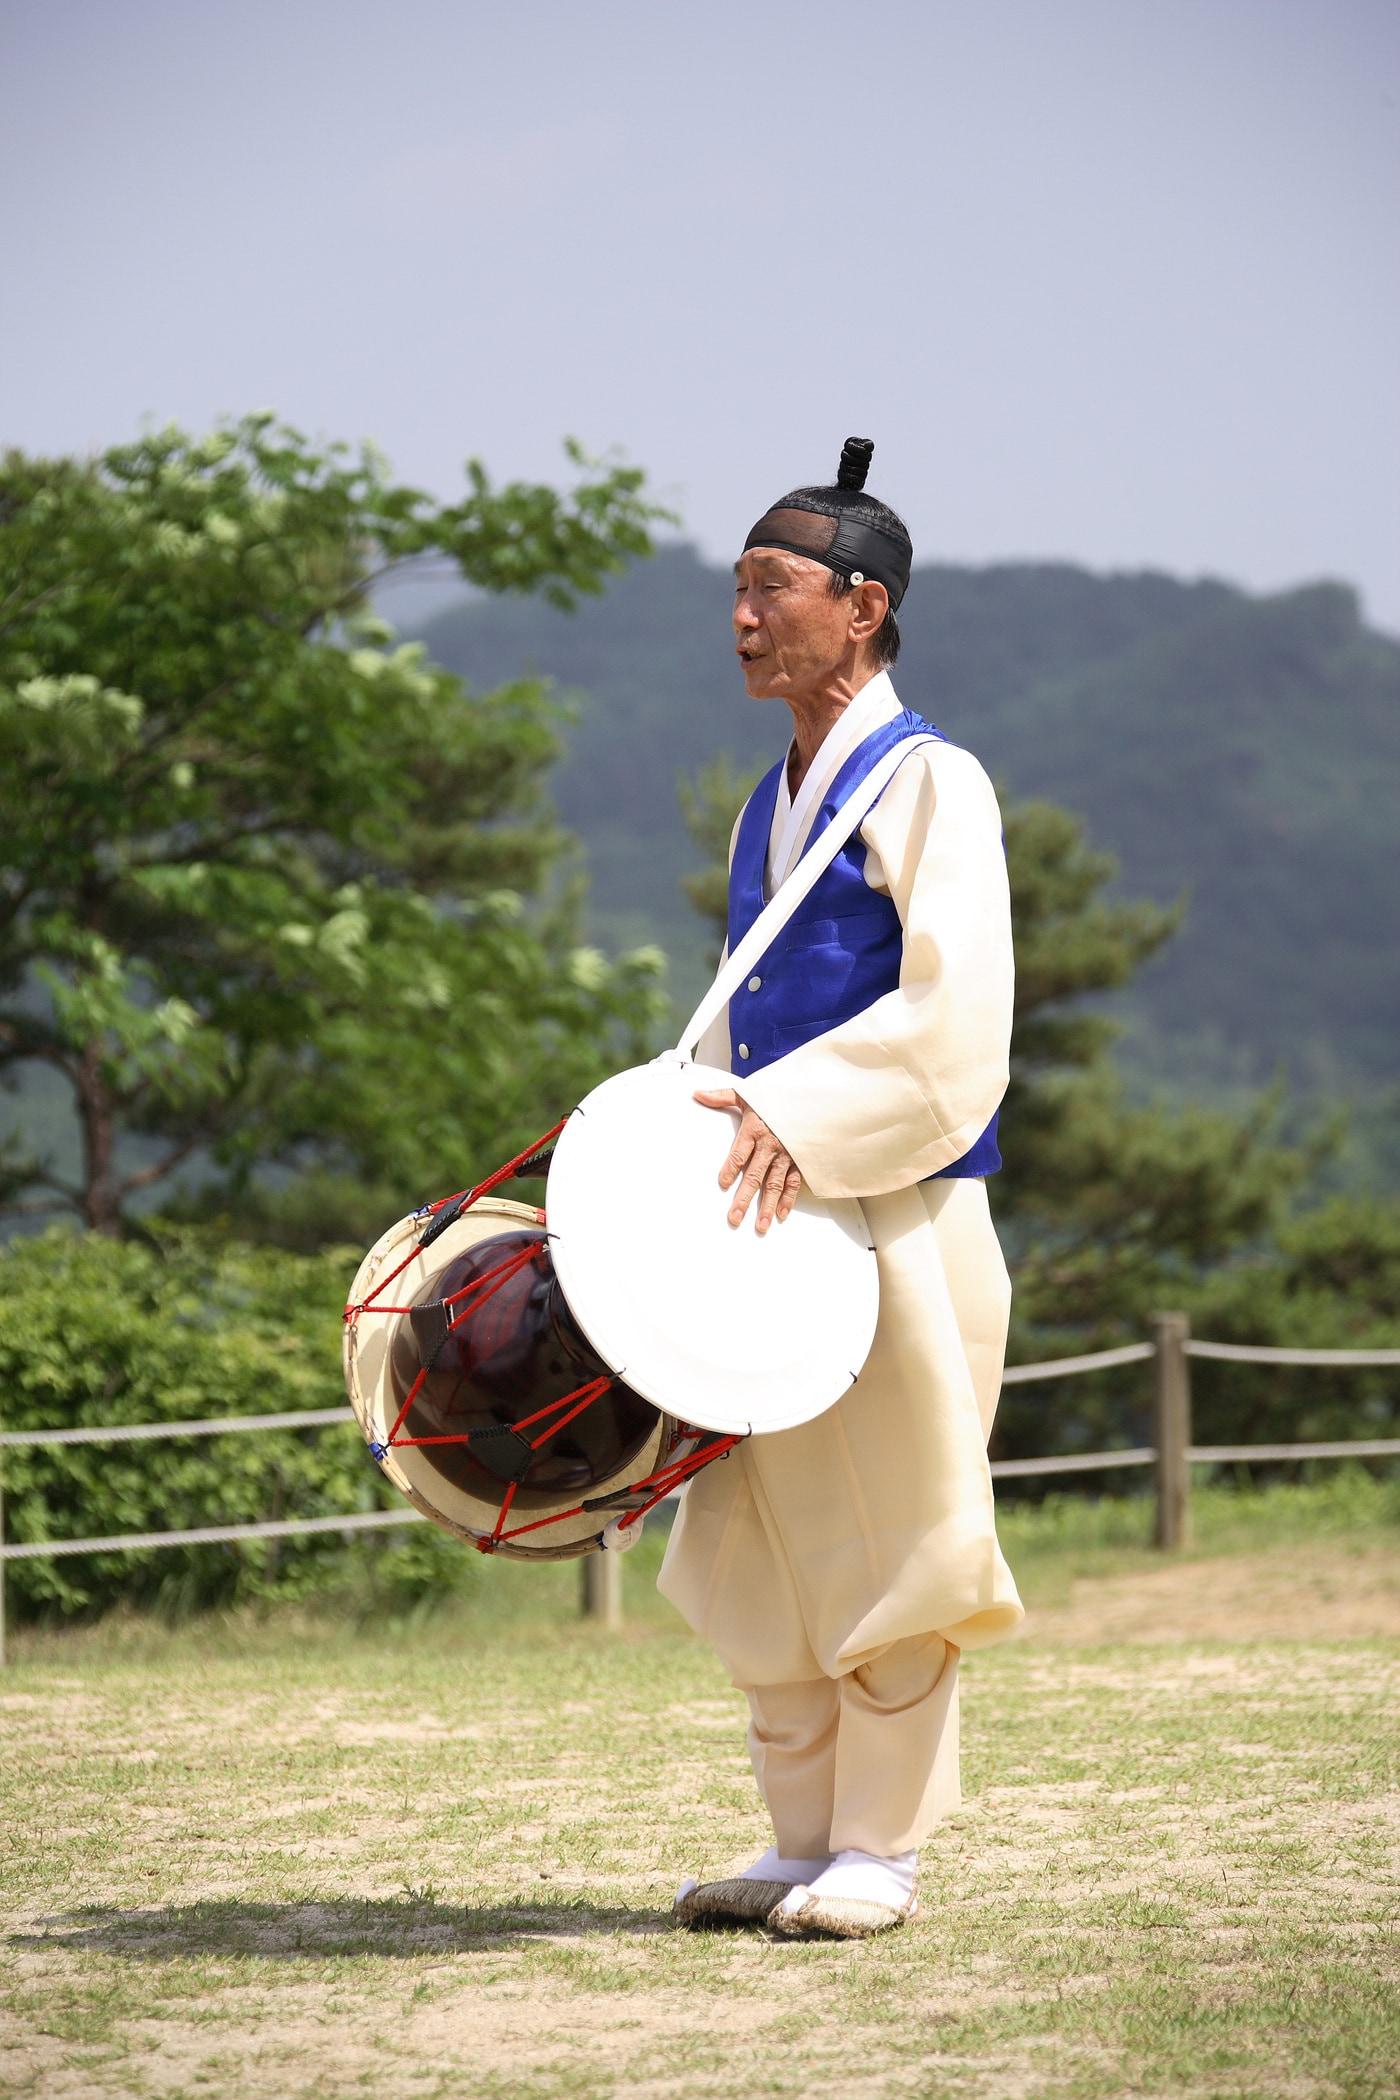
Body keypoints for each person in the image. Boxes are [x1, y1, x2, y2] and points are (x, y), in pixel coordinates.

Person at [659, 438, 1024, 1941]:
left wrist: (798, 1116)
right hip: (774, 1213)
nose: (742, 617)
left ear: (862, 607)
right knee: (759, 1534)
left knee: (894, 1525)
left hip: (902, 1217)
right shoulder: (768, 802)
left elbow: (959, 1022)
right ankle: (803, 1839)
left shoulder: (936, 781)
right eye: (734, 592)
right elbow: (737, 1022)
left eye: (771, 590)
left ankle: (884, 1844)